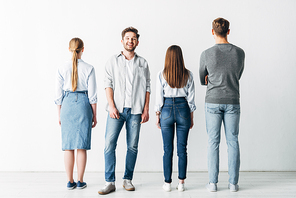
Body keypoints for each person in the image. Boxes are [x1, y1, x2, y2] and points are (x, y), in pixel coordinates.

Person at [98, 27, 151, 195]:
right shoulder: (112, 61)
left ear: (137, 42)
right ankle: (109, 182)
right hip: (117, 111)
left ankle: (127, 179)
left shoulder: (143, 63)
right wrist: (112, 106)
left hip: (136, 111)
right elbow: (108, 84)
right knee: (109, 145)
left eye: (133, 38)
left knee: (132, 146)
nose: (130, 41)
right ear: (122, 41)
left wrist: (146, 109)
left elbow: (148, 87)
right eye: (127, 38)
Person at [199, 18, 245, 192]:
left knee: (213, 142)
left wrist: (212, 79)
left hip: (212, 100)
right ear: (228, 31)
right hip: (232, 99)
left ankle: (212, 183)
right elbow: (237, 74)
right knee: (233, 141)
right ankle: (233, 184)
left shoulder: (206, 53)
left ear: (212, 32)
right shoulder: (240, 53)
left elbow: (202, 78)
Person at [54, 38, 97, 190]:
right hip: (83, 105)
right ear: (82, 49)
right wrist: (94, 115)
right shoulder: (89, 68)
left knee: (68, 146)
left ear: (69, 49)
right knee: (81, 145)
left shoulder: (61, 68)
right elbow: (93, 96)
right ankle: (80, 181)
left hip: (67, 105)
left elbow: (58, 96)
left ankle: (69, 181)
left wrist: (59, 115)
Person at [155, 45, 196, 192]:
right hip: (183, 108)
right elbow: (191, 99)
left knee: (167, 149)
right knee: (182, 149)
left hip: (166, 108)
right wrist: (191, 117)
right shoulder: (188, 75)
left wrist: (157, 115)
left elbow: (159, 98)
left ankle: (167, 183)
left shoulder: (161, 74)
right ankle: (181, 183)